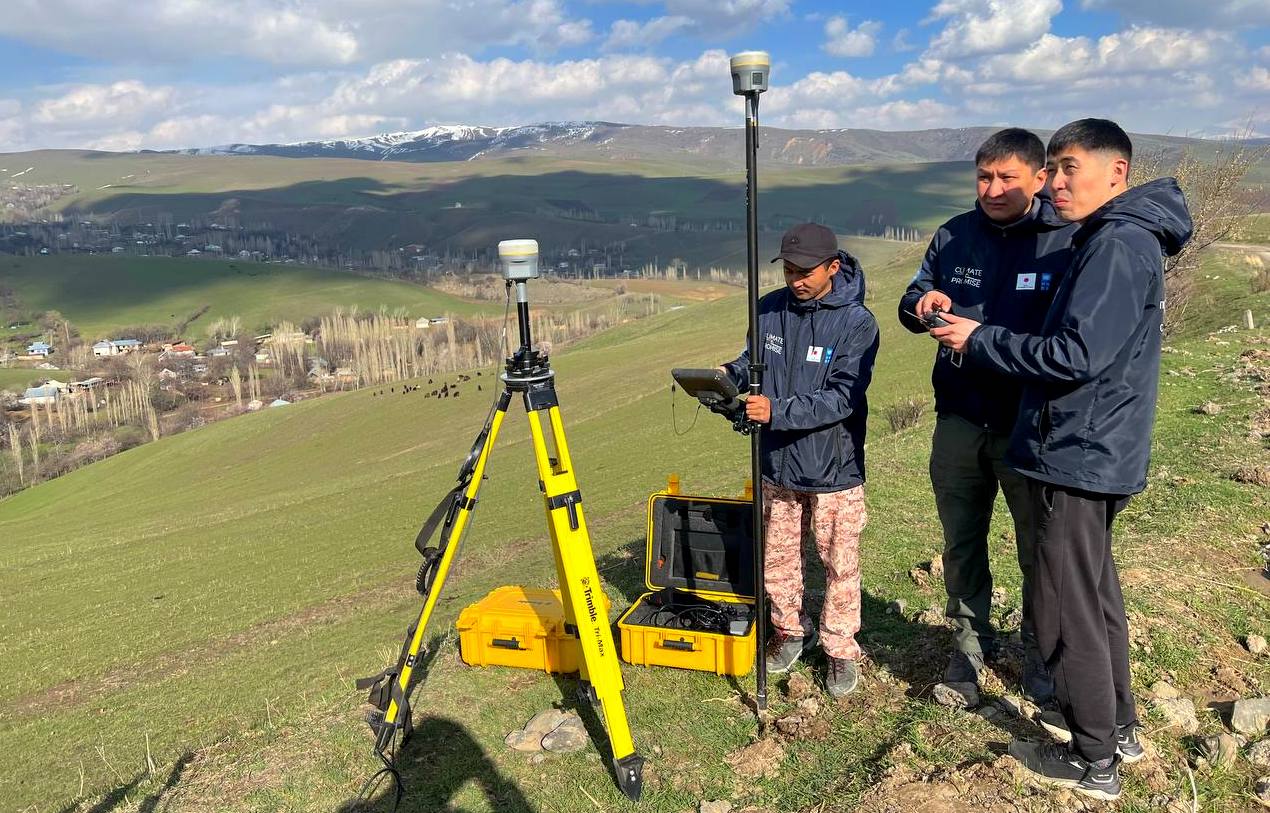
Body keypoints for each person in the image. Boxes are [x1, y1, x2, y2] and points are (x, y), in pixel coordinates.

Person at [930, 119, 1192, 801]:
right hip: (1094, 448)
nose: (1061, 181)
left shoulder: (1114, 245)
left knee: (1068, 606)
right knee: (1097, 596)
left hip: (1077, 451)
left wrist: (982, 337)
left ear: (1118, 173)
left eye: (1071, 167)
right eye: (1056, 167)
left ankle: (1093, 758)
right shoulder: (1118, 239)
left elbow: (1076, 356)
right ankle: (1121, 731)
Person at [898, 128, 1076, 706]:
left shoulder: (1067, 239)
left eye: (1007, 179)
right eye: (984, 177)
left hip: (1030, 424)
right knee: (962, 541)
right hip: (959, 420)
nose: (993, 189)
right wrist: (921, 304)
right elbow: (913, 297)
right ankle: (970, 644)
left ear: (1040, 179)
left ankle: (1041, 654)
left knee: (1038, 550)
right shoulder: (955, 234)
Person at [719, 222, 880, 698]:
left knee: (839, 563)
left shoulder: (857, 323)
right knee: (779, 559)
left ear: (833, 267)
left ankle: (840, 650)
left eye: (806, 271)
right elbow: (752, 363)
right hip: (777, 464)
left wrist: (777, 411)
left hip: (834, 469)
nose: (796, 280)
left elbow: (841, 399)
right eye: (789, 270)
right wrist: (723, 381)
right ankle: (790, 632)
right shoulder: (768, 309)